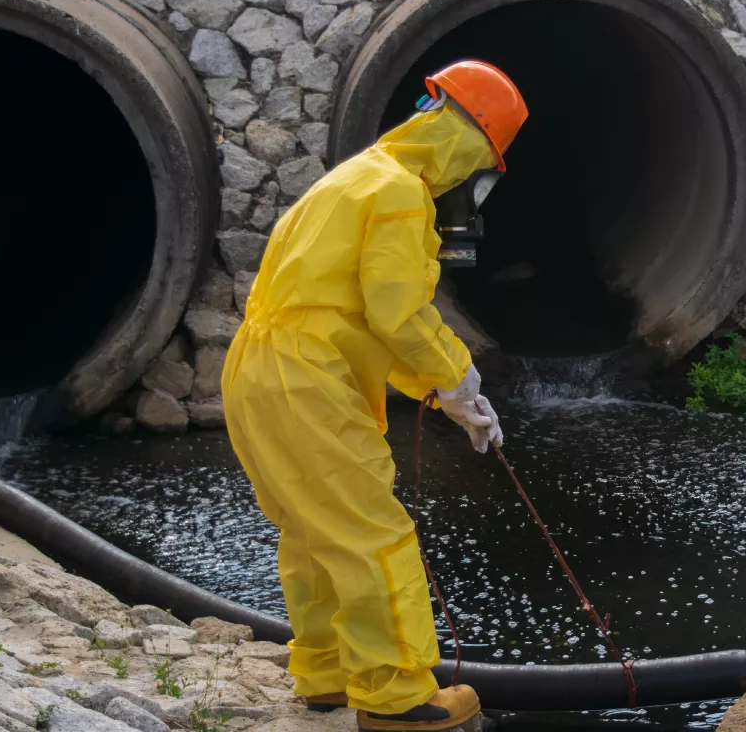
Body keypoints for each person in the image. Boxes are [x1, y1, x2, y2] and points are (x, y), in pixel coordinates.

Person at [220, 60, 527, 732]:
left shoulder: (353, 177)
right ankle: (394, 697)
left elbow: (350, 311)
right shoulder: (398, 191)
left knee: (312, 531)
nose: (469, 176)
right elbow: (395, 312)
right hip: (307, 377)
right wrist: (457, 374)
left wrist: (440, 393)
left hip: (259, 366)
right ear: (466, 137)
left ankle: (328, 674)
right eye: (482, 159)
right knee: (372, 534)